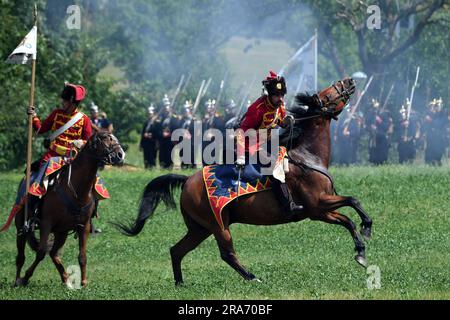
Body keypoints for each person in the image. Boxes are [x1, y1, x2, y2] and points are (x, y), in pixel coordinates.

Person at [235, 71, 299, 214]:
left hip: (267, 141)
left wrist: (286, 121)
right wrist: (240, 155)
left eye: (282, 95)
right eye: (277, 95)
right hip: (250, 144)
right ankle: (287, 205)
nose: (280, 98)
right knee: (274, 166)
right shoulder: (256, 109)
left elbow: (280, 122)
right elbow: (241, 131)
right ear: (269, 95)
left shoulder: (280, 105)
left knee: (287, 162)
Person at [26, 83, 92, 222]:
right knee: (37, 182)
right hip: (52, 157)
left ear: (73, 102)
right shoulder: (56, 114)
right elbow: (41, 130)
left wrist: (81, 143)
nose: (62, 102)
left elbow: (88, 142)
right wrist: (34, 117)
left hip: (73, 160)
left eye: (65, 100)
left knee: (93, 182)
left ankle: (89, 216)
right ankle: (34, 212)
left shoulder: (84, 120)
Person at [423, 98, 448, 165]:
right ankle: (429, 163)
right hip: (431, 136)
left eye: (439, 106)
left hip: (439, 136)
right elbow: (425, 126)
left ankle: (437, 162)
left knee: (438, 151)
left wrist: (430, 120)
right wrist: (426, 121)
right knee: (430, 151)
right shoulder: (431, 114)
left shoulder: (443, 115)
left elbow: (439, 124)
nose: (437, 107)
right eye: (437, 106)